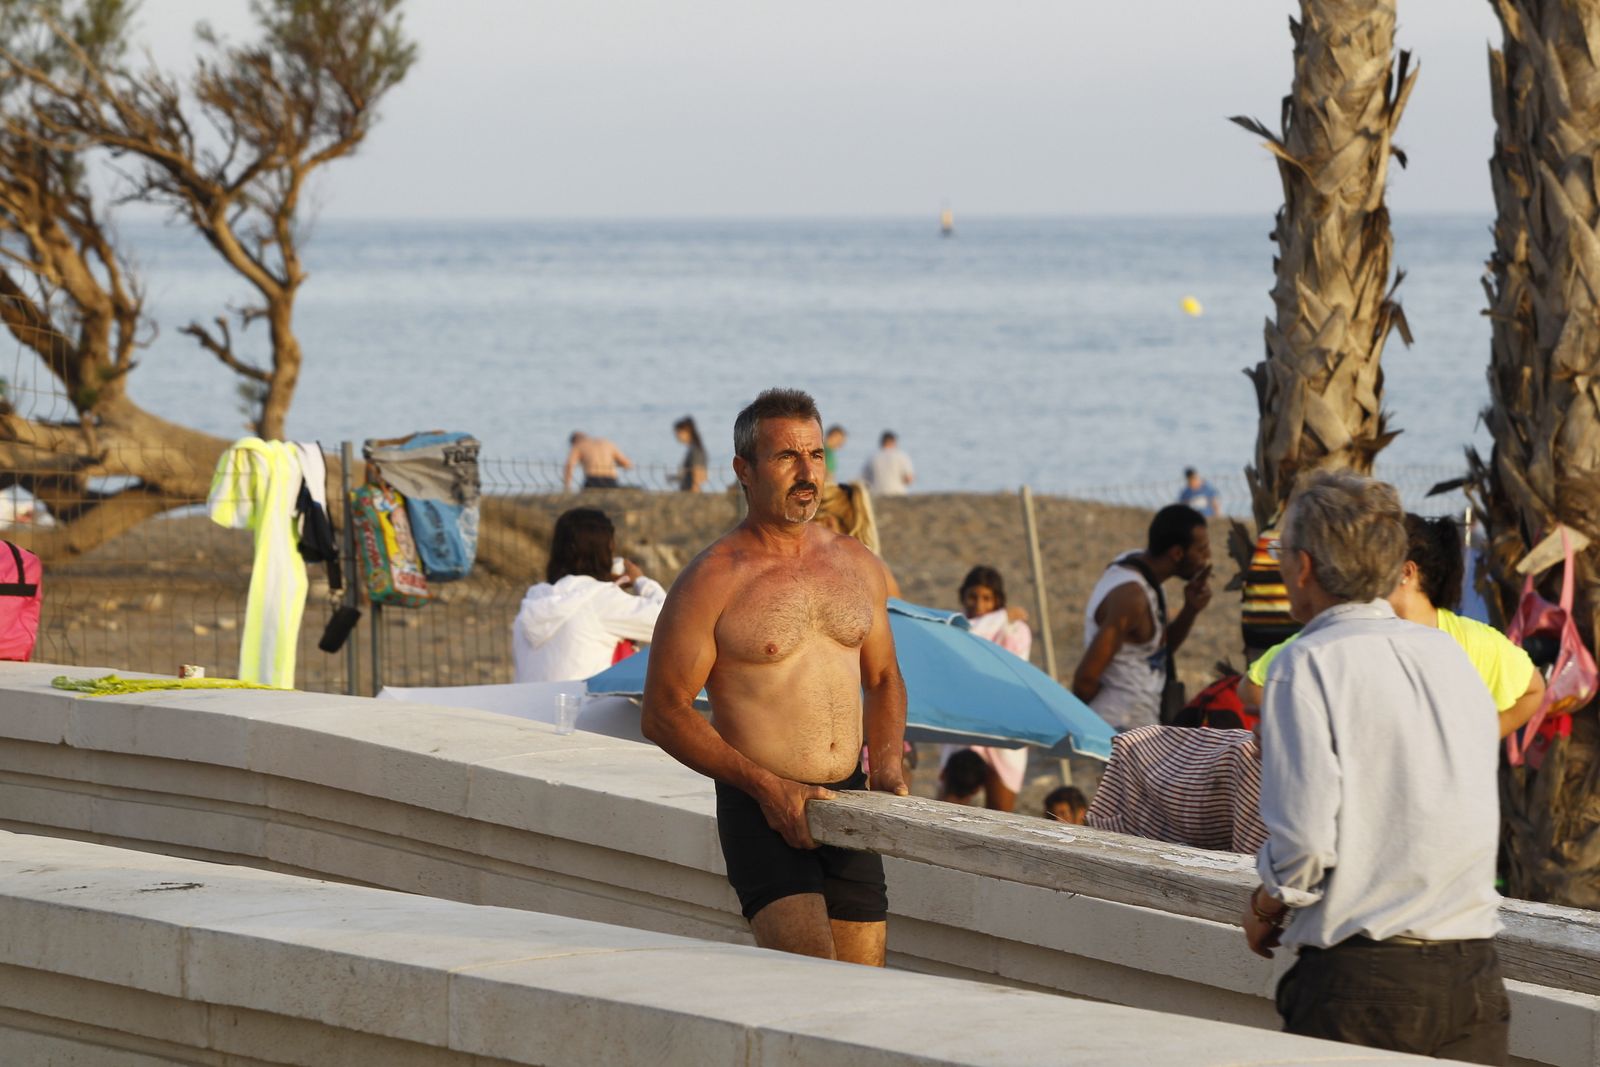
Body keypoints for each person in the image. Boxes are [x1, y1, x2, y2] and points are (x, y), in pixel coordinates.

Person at [1243, 471, 1507, 1063]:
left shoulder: (1305, 664)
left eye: (1282, 553)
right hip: (1475, 974)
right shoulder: (1449, 654)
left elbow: (1305, 848)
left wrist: (1264, 906)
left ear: (1304, 567)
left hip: (1365, 987)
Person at [641, 388, 909, 967]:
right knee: (811, 990)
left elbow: (884, 676)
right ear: (744, 469)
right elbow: (664, 711)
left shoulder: (857, 563)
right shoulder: (712, 579)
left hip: (850, 802)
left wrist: (886, 766)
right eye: (787, 456)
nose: (807, 472)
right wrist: (767, 787)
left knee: (866, 992)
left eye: (815, 455)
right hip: (763, 807)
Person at [1243, 513, 1545, 739]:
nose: (1363, 572)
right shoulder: (1350, 627)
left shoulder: (1473, 641)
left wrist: (1478, 739)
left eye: (1375, 563)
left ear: (1405, 572)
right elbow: (1251, 688)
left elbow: (1534, 690)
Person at [1072, 504, 1213, 733]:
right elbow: (1085, 678)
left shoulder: (1142, 571)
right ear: (1177, 553)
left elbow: (1157, 652)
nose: (1207, 558)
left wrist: (1191, 609)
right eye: (1202, 550)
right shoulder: (1131, 597)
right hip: (1122, 727)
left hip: (1139, 725)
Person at [511, 508, 666, 682]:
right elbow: (670, 621)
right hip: (584, 707)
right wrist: (641, 581)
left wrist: (607, 586)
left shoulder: (532, 602)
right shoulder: (599, 599)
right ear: (605, 552)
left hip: (530, 706)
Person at [937, 566, 1032, 812]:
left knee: (1001, 813)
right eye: (973, 597)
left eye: (987, 598)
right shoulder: (954, 626)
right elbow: (963, 642)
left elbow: (1009, 672)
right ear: (963, 597)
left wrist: (1001, 621)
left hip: (1004, 726)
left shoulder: (1016, 630)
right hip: (962, 725)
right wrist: (999, 618)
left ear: (997, 600)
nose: (979, 604)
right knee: (948, 807)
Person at [563, 431, 633, 491]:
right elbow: (627, 464)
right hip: (611, 480)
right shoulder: (608, 444)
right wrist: (613, 464)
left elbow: (569, 465)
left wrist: (567, 486)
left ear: (574, 442)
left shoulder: (579, 445)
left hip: (592, 480)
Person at [861, 431, 914, 496]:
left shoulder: (872, 457)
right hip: (898, 493)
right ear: (894, 442)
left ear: (881, 442)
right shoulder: (901, 456)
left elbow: (863, 480)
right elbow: (909, 479)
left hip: (877, 494)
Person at [673, 416, 708, 493]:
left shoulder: (695, 450)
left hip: (690, 493)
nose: (676, 436)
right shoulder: (693, 448)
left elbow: (699, 476)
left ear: (687, 431)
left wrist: (693, 497)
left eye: (679, 432)